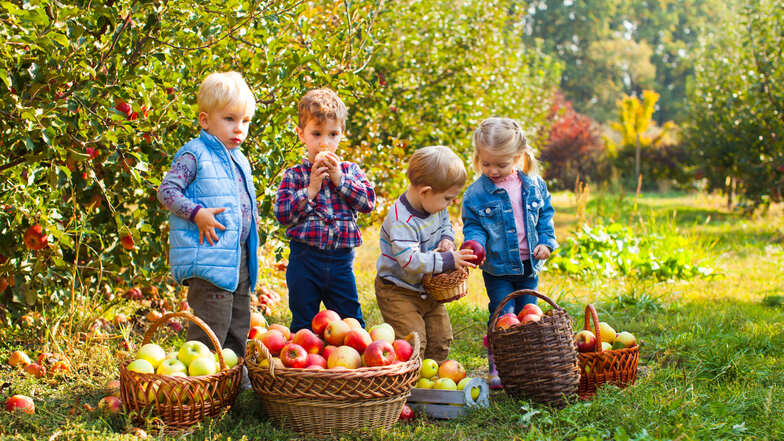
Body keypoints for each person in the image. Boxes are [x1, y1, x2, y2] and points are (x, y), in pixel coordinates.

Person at [157, 72, 258, 385]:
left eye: (245, 120)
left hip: (238, 257)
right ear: (205, 120)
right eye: (229, 119)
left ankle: (232, 375)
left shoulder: (239, 158)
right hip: (208, 258)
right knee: (211, 323)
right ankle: (199, 381)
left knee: (240, 319)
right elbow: (167, 192)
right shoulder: (194, 155)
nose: (238, 128)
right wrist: (197, 212)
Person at [461, 117, 558, 388]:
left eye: (500, 164)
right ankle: (500, 361)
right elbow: (473, 225)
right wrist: (474, 243)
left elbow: (545, 216)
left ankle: (529, 362)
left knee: (530, 313)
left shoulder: (533, 185)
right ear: (478, 157)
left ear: (517, 157)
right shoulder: (476, 194)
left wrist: (547, 242)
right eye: (485, 163)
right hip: (498, 268)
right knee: (504, 315)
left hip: (530, 265)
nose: (492, 170)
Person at [274, 88, 375, 332]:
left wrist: (340, 180)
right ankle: (305, 369)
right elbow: (283, 214)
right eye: (316, 134)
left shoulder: (350, 171)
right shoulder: (295, 175)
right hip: (304, 259)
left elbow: (368, 203)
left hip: (341, 261)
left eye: (332, 134)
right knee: (303, 323)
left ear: (341, 135)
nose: (324, 142)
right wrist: (310, 190)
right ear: (301, 135)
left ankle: (349, 365)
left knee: (351, 323)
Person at [375, 146, 475, 362]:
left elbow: (446, 224)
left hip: (428, 288)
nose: (450, 204)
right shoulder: (402, 221)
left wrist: (447, 239)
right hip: (398, 290)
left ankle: (434, 382)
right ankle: (410, 386)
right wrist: (449, 260)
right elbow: (409, 260)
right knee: (413, 342)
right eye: (448, 199)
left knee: (441, 338)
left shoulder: (436, 206)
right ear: (425, 191)